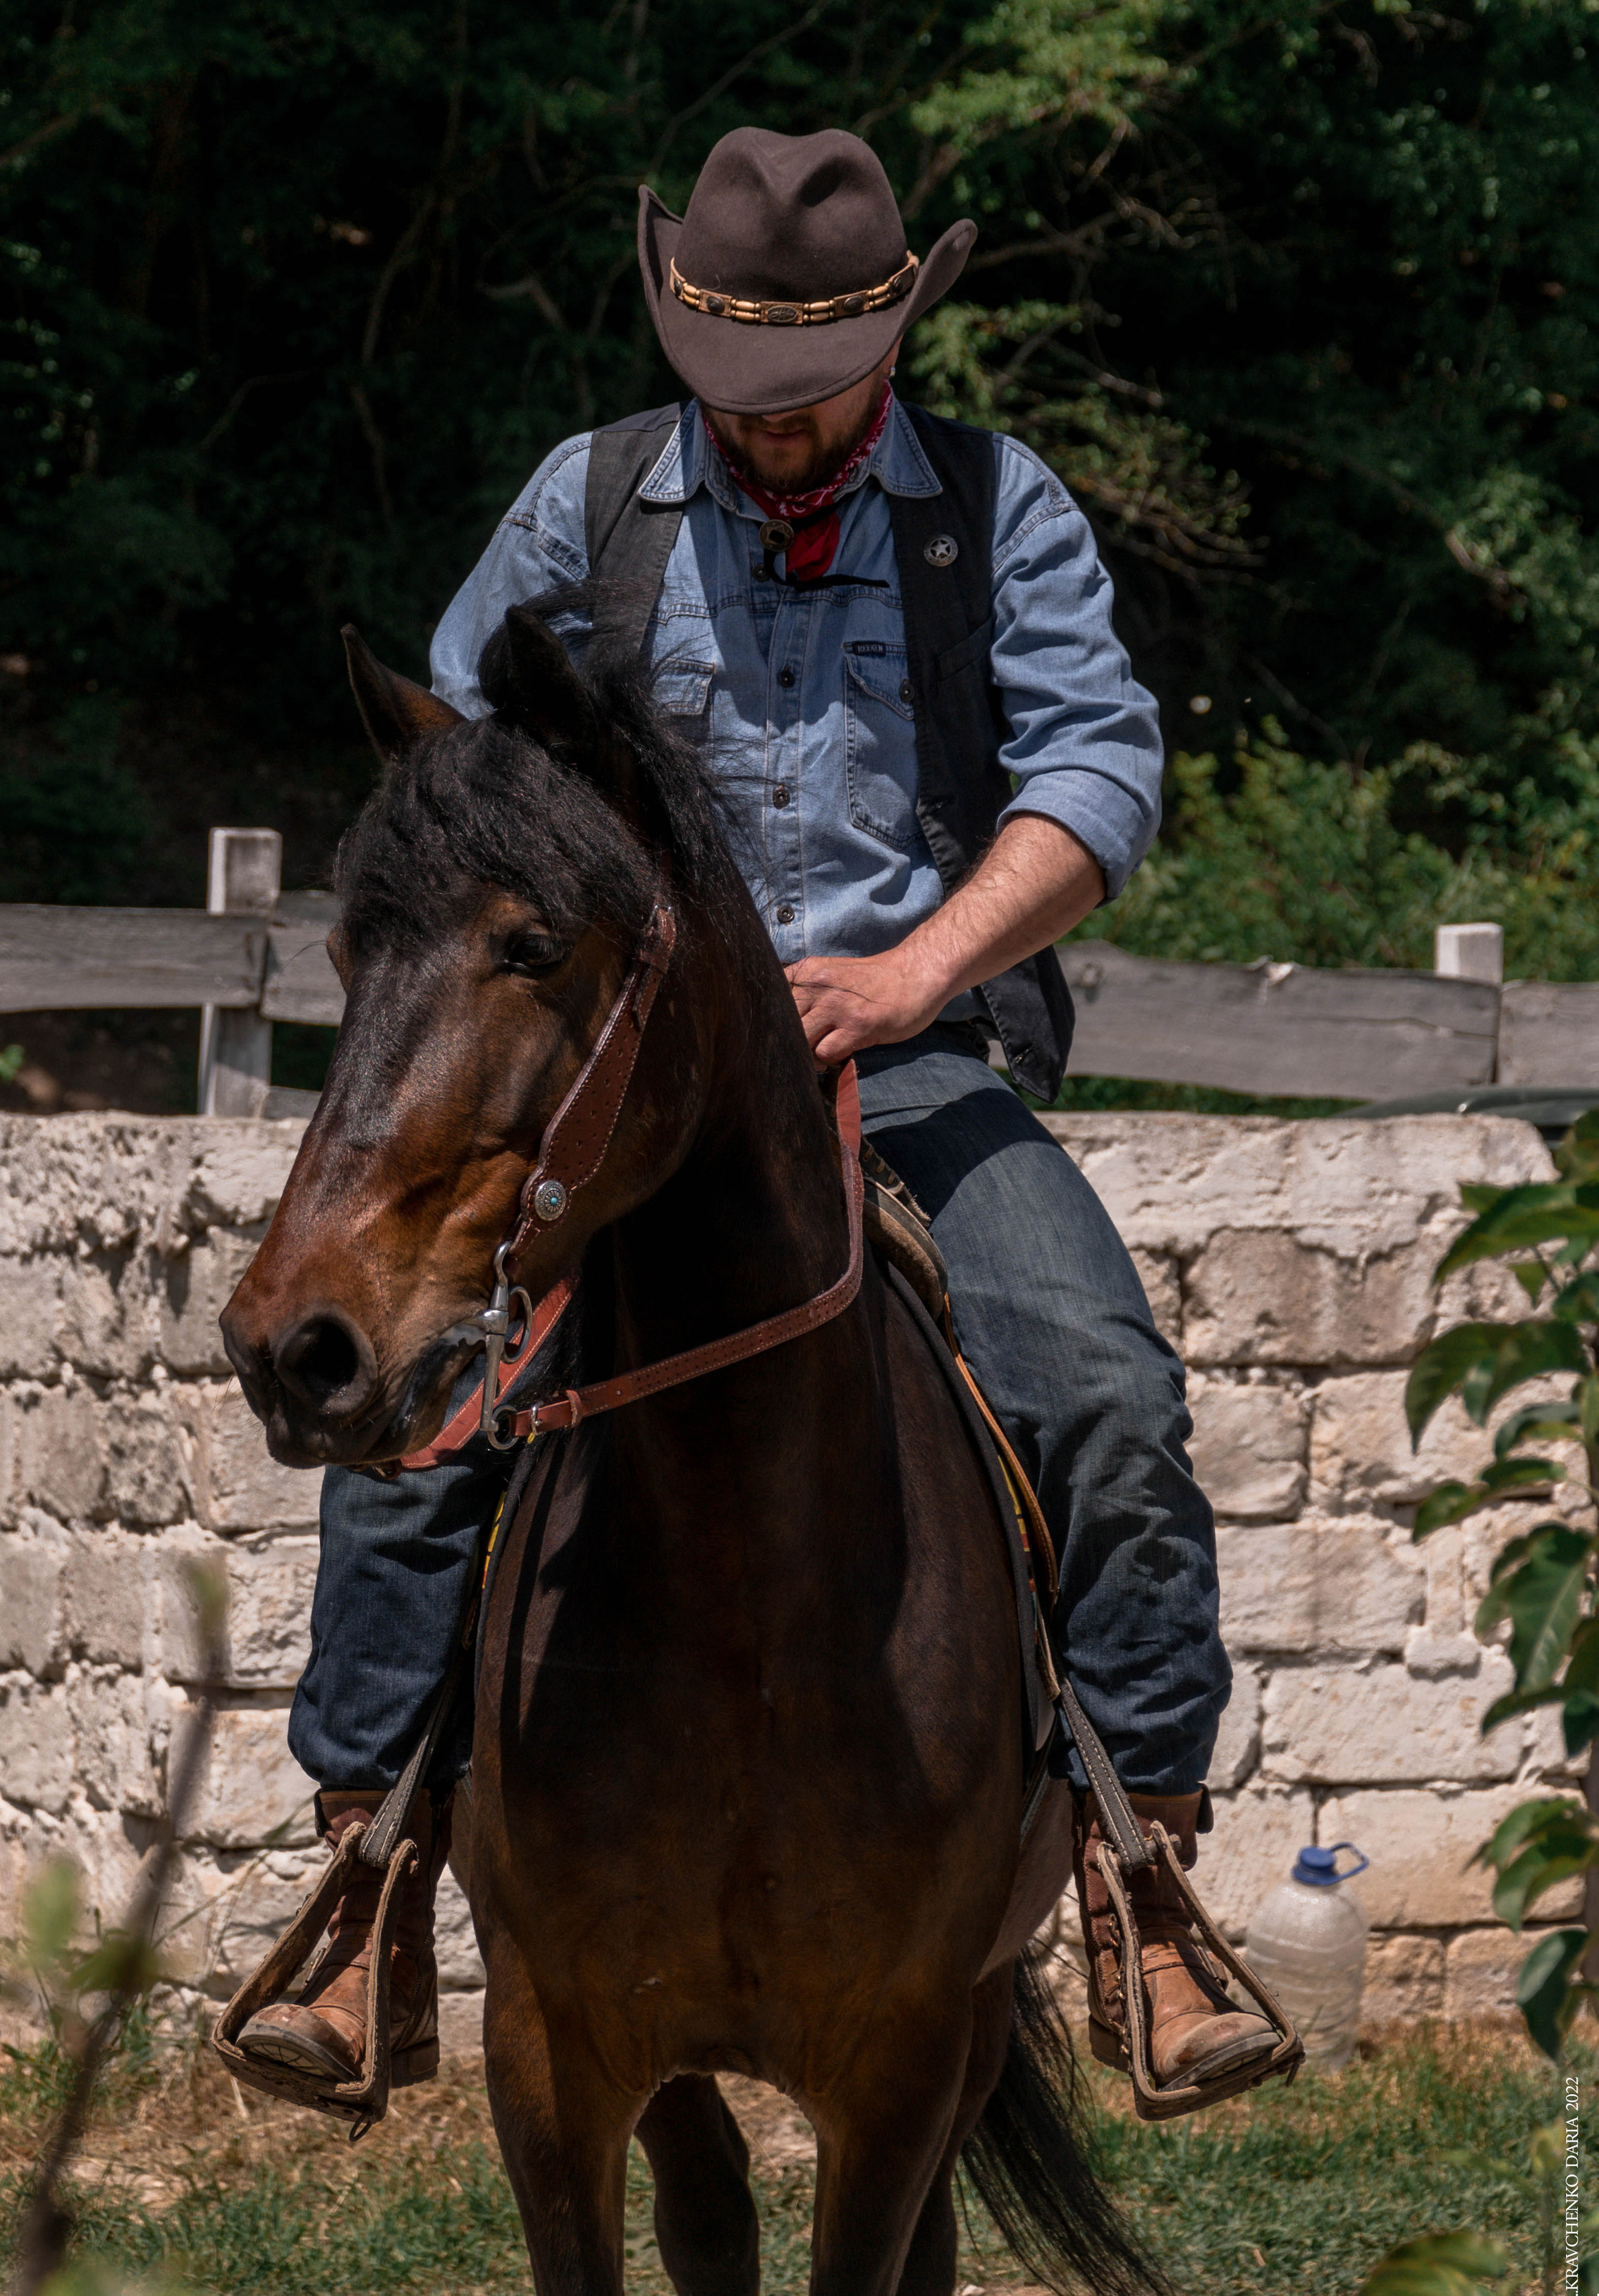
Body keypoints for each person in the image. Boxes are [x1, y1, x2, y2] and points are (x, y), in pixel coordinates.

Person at [235, 126, 1275, 2109]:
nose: (767, 439)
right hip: (627, 1087)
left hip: (914, 1060)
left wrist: (912, 976)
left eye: (804, 408)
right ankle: (366, 1877)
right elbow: (460, 777)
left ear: (890, 349)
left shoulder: (994, 514)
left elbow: (1099, 782)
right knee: (438, 1401)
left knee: (1101, 1384)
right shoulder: (593, 506)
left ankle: (1147, 1879)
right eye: (736, 404)